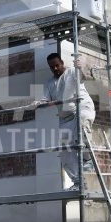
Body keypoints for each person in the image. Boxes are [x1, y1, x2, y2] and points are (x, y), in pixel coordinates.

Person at [41, 52, 96, 190]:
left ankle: (88, 160)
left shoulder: (72, 72)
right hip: (65, 117)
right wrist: (40, 103)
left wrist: (81, 65)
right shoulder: (50, 83)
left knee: (82, 126)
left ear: (62, 63)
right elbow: (45, 100)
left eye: (57, 65)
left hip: (82, 108)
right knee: (65, 150)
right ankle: (78, 182)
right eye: (51, 67)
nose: (55, 69)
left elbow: (85, 74)